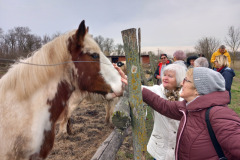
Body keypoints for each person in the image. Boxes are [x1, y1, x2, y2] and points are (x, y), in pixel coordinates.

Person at [115, 66, 240, 160]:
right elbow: (162, 105)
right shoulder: (188, 108)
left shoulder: (219, 114)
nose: (182, 83)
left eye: (186, 80)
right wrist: (130, 82)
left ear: (198, 90)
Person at [144, 64, 186, 160]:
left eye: (170, 76)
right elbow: (137, 89)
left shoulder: (186, 94)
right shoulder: (157, 90)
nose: (165, 78)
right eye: (164, 75)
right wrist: (123, 79)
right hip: (160, 148)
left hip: (181, 146)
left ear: (179, 79)